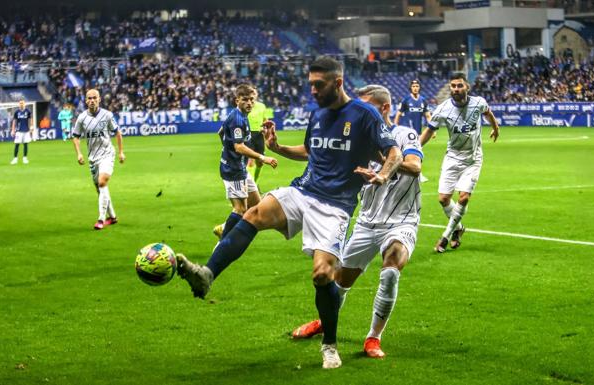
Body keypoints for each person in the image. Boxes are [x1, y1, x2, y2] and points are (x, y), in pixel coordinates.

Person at [176, 56, 401, 369]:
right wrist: (278, 147)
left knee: (323, 275)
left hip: (335, 206)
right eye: (310, 84)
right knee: (253, 214)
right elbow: (311, 151)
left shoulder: (364, 114)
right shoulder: (318, 112)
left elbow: (394, 152)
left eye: (318, 85)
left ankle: (329, 344)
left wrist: (384, 174)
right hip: (302, 191)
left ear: (338, 83)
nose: (312, 90)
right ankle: (206, 275)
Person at [291, 85, 423, 359]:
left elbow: (414, 166)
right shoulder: (355, 138)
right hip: (366, 222)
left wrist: (383, 161)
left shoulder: (403, 134)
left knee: (390, 270)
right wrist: (278, 148)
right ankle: (323, 322)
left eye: (368, 107)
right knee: (338, 284)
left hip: (401, 220)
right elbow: (313, 152)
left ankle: (373, 338)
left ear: (384, 109)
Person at [419, 72, 500, 253]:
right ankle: (459, 228)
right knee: (443, 199)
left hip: (473, 158)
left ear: (467, 87)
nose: (456, 89)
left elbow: (488, 113)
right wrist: (415, 149)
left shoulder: (478, 102)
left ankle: (445, 237)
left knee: (464, 197)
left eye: (460, 85)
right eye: (453, 86)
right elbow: (429, 131)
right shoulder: (442, 109)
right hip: (453, 157)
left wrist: (495, 127)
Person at [216, 83, 278, 241]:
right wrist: (263, 157)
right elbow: (239, 147)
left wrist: (227, 148)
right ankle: (224, 241)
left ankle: (224, 228)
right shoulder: (238, 119)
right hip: (233, 170)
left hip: (239, 167)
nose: (249, 103)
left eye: (252, 100)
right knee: (240, 209)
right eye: (245, 100)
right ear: (237, 101)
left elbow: (220, 132)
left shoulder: (240, 116)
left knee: (257, 206)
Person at [71, 89, 125, 230]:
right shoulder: (82, 118)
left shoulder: (107, 115)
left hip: (107, 154)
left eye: (95, 98)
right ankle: (112, 217)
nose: (92, 100)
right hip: (93, 158)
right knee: (100, 189)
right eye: (89, 98)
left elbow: (117, 133)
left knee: (102, 183)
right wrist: (79, 154)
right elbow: (75, 136)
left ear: (99, 99)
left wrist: (121, 152)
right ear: (86, 100)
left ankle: (101, 220)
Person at [393, 79, 431, 182]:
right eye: (413, 86)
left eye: (417, 86)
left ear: (419, 88)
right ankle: (401, 172)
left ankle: (417, 173)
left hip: (417, 132)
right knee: (403, 152)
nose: (415, 88)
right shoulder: (406, 100)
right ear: (411, 88)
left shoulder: (423, 100)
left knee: (417, 152)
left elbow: (427, 115)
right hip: (406, 132)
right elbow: (398, 113)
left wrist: (433, 129)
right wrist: (395, 125)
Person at [246, 90, 274, 182]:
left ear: (256, 95)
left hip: (259, 135)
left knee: (260, 163)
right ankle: (249, 187)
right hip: (248, 135)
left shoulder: (261, 106)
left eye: (254, 93)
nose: (253, 95)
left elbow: (266, 120)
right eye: (251, 93)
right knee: (250, 161)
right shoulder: (246, 106)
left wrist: (265, 129)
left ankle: (255, 183)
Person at [10, 99, 33, 165]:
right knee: (17, 144)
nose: (21, 104)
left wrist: (31, 126)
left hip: (26, 130)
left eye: (22, 103)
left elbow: (30, 119)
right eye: (20, 103)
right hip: (19, 131)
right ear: (19, 104)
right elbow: (14, 121)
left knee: (25, 144)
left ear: (24, 104)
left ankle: (25, 158)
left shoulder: (27, 111)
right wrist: (13, 130)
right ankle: (15, 159)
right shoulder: (17, 112)